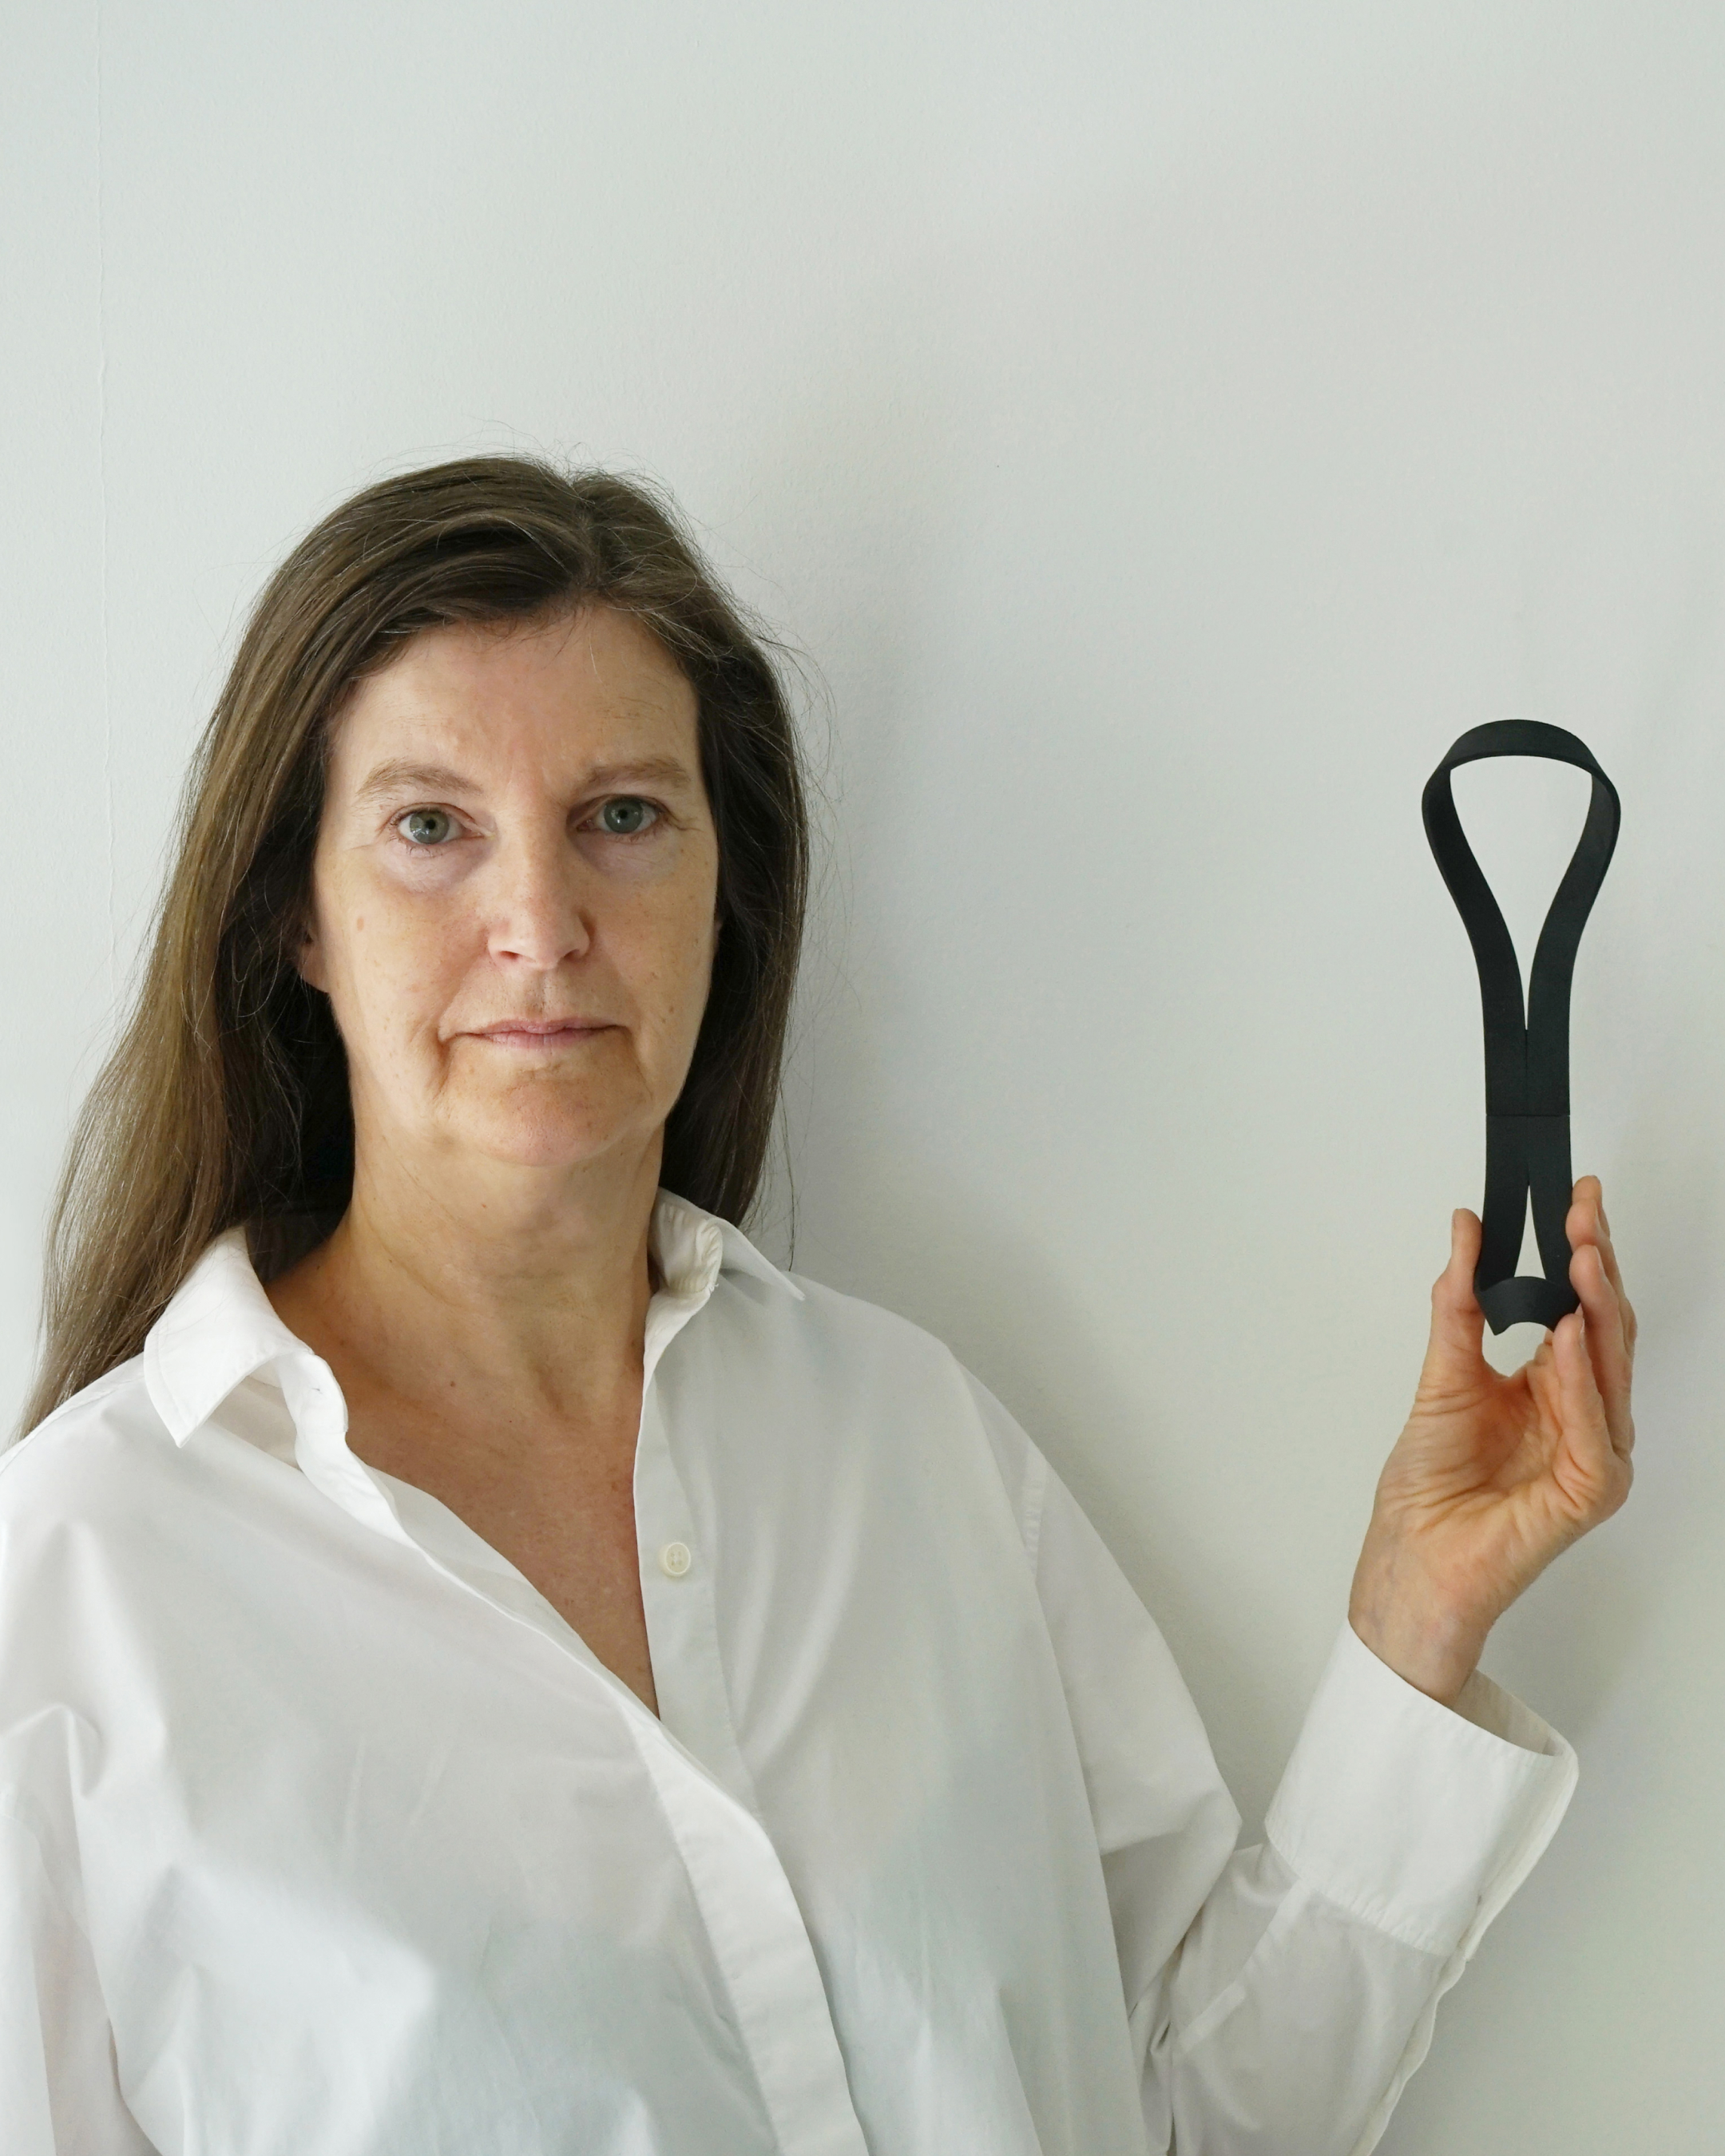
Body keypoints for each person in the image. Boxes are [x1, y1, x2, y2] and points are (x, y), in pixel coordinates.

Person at [0, 456, 1636, 2155]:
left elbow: (1177, 2116)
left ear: (729, 884)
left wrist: (1420, 1624)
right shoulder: (78, 1592)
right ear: (297, 914)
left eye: (622, 817)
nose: (540, 925)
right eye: (430, 827)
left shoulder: (911, 1436)